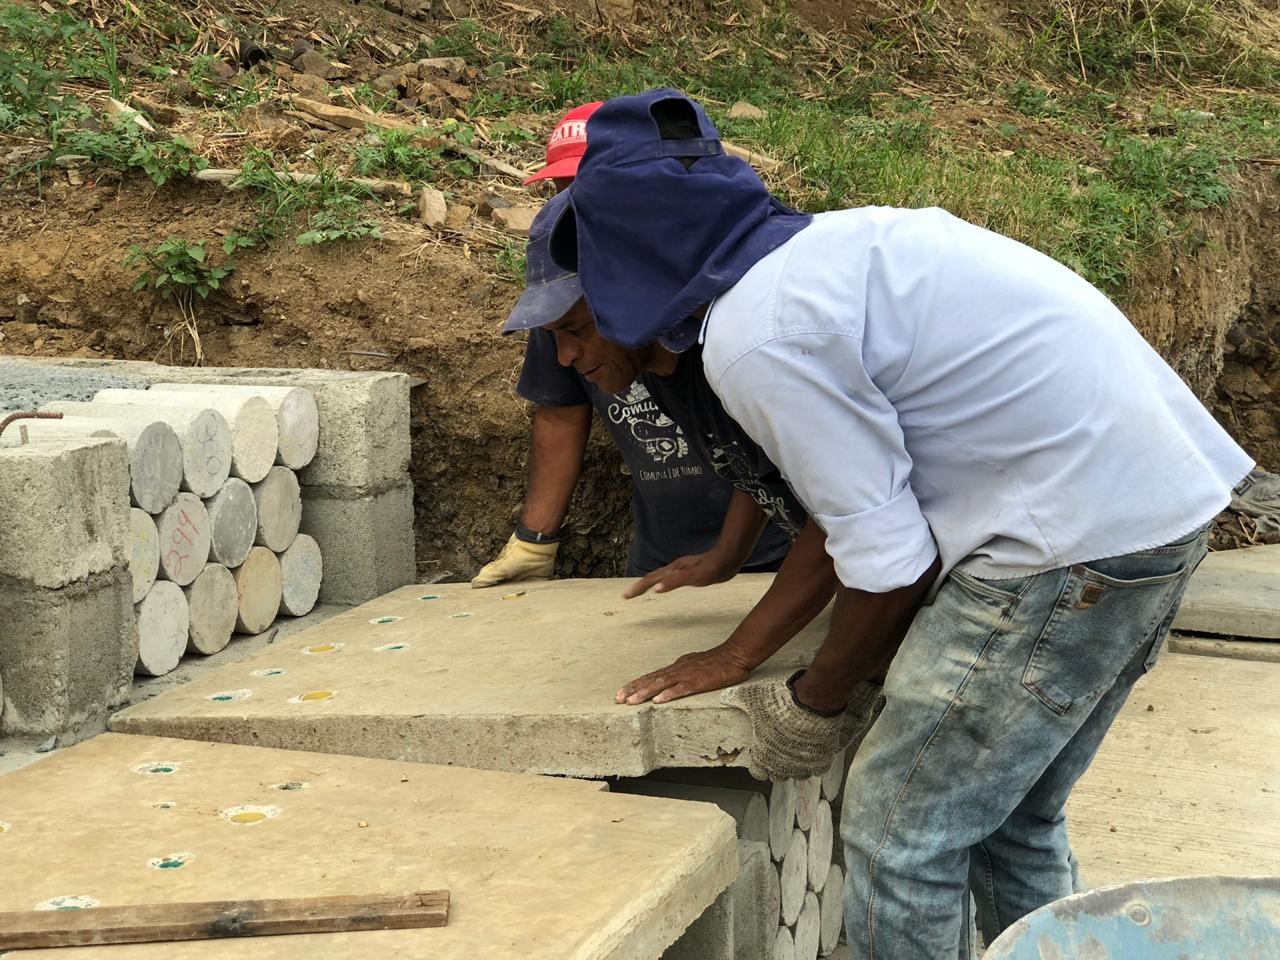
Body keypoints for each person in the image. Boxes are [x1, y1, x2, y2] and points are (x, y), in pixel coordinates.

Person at [540, 89, 1255, 957]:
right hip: (1159, 511)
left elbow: (886, 560)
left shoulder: (757, 335)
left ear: (626, 260)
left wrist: (817, 701)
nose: (570, 350)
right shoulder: (836, 249)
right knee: (1010, 818)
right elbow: (852, 516)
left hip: (1064, 546)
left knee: (897, 831)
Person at [473, 101, 792, 590]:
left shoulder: (731, 314)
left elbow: (789, 464)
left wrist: (735, 647)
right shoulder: (562, 304)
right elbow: (561, 411)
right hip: (667, 553)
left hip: (781, 552)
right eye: (560, 190)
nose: (570, 206)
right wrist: (534, 540)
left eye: (585, 192)